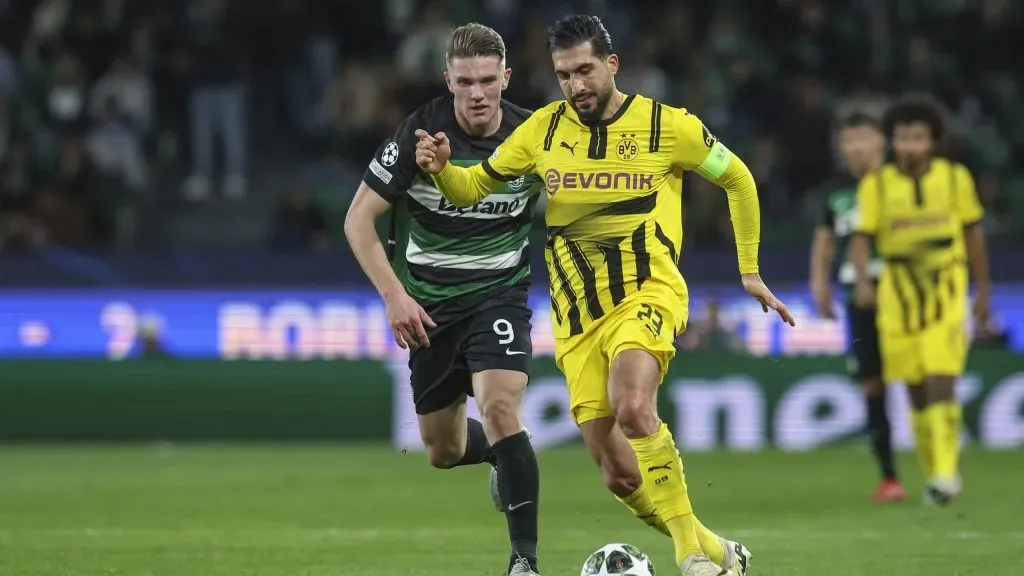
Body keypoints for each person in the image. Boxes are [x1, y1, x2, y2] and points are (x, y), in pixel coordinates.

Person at [414, 14, 795, 576]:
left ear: (611, 65)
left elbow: (737, 177)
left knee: (634, 405)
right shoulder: (541, 132)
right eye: (565, 75)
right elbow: (475, 187)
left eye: (586, 71)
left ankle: (689, 557)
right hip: (575, 318)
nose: (576, 85)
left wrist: (749, 268)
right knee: (619, 474)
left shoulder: (668, 126)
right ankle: (718, 551)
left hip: (647, 292)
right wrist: (445, 171)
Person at [343, 23, 544, 576]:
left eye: (487, 80)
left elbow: (574, 201)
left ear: (505, 77)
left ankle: (523, 562)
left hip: (499, 296)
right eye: (464, 82)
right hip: (428, 309)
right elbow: (358, 220)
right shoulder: (417, 136)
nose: (477, 93)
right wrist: (394, 298)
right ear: (447, 81)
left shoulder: (535, 137)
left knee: (502, 408)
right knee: (442, 450)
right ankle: (505, 456)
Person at [850, 95, 991, 507]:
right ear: (892, 141)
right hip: (897, 291)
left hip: (947, 286)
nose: (910, 146)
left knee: (941, 379)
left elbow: (974, 234)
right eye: (902, 138)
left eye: (918, 138)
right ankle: (937, 475)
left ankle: (946, 472)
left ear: (932, 141)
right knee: (915, 389)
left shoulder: (954, 178)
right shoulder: (875, 184)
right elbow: (861, 238)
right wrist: (863, 282)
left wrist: (982, 290)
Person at [808, 112, 906, 502]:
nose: (855, 148)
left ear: (881, 141)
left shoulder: (900, 182)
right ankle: (889, 477)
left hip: (903, 290)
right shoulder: (836, 192)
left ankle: (940, 468)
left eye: (863, 139)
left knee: (918, 380)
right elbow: (824, 241)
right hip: (858, 297)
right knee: (871, 383)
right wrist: (819, 284)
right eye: (848, 140)